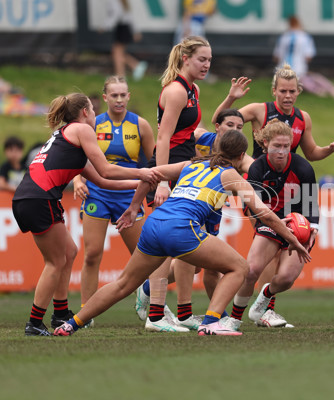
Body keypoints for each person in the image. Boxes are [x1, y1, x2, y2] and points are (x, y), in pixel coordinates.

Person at [53, 129, 311, 337]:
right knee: (240, 268)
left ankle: (71, 324)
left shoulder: (191, 164)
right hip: (181, 227)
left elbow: (150, 174)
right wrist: (292, 239)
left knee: (122, 284)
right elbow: (263, 213)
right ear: (242, 154)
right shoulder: (230, 174)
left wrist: (134, 208)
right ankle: (211, 322)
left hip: (154, 224)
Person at [12, 92, 162, 336]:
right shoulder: (81, 130)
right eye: (93, 110)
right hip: (39, 197)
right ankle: (34, 323)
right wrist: (142, 173)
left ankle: (60, 313)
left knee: (69, 252)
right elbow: (107, 169)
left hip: (31, 196)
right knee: (55, 261)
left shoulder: (69, 139)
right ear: (85, 112)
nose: (95, 115)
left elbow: (104, 181)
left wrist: (141, 183)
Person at [211, 65, 334, 326]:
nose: (287, 95)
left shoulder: (302, 121)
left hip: (292, 198)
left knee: (282, 272)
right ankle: (248, 315)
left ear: (298, 92)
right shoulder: (258, 112)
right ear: (274, 90)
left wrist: (329, 149)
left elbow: (311, 156)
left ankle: (265, 304)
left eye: (292, 91)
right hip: (263, 192)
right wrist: (231, 98)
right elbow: (221, 122)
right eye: (282, 90)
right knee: (258, 262)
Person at [134, 108, 254, 328]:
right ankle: (169, 312)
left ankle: (151, 290)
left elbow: (253, 167)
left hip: (212, 204)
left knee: (200, 266)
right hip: (187, 200)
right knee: (177, 254)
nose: (234, 131)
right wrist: (161, 185)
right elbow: (166, 139)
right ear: (217, 127)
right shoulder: (200, 137)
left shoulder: (236, 152)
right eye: (229, 126)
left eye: (239, 127)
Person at [140, 36, 213, 332]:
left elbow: (190, 134)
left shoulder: (193, 90)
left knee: (188, 251)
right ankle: (155, 315)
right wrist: (160, 180)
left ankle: (169, 306)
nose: (207, 65)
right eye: (202, 59)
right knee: (164, 247)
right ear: (186, 59)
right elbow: (163, 137)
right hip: (168, 169)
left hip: (185, 168)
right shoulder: (175, 91)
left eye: (209, 60)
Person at [72, 76, 155, 322]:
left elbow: (153, 163)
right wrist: (78, 181)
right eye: (114, 95)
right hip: (97, 193)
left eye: (123, 95)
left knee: (145, 257)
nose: (119, 99)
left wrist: (158, 187)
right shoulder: (92, 125)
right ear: (105, 97)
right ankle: (86, 312)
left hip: (129, 196)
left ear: (128, 96)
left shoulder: (141, 125)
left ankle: (146, 295)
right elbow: (77, 159)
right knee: (91, 254)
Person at [229, 120, 319, 328]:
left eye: (286, 146)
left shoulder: (303, 168)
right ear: (265, 144)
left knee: (286, 278)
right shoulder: (257, 168)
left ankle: (264, 301)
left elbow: (312, 204)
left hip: (297, 224)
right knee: (251, 270)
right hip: (268, 220)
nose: (281, 151)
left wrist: (313, 228)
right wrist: (273, 223)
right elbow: (253, 207)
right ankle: (233, 319)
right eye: (277, 146)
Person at [273, 16, 334, 99]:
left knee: (299, 82)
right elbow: (308, 57)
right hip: (299, 69)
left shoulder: (283, 37)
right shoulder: (305, 37)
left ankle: (319, 90)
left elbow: (276, 57)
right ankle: (327, 89)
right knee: (310, 78)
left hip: (281, 73)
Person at [105, 0, 147, 81]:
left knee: (117, 53)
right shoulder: (123, 2)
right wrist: (136, 31)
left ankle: (121, 75)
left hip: (122, 28)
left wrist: (105, 25)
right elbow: (130, 18)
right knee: (118, 53)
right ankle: (134, 66)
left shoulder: (116, 2)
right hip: (123, 28)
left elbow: (116, 15)